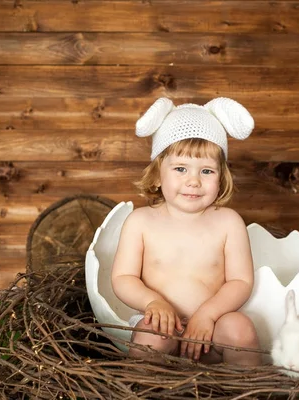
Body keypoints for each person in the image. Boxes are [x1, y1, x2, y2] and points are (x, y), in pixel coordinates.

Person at [111, 97, 261, 366]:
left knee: (240, 329)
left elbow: (241, 282)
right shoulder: (141, 221)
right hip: (161, 322)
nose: (193, 181)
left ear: (221, 178)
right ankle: (145, 390)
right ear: (157, 175)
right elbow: (123, 277)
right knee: (151, 337)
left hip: (212, 329)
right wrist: (152, 302)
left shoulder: (228, 222)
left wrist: (207, 315)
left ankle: (245, 391)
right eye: (180, 168)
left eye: (206, 171)